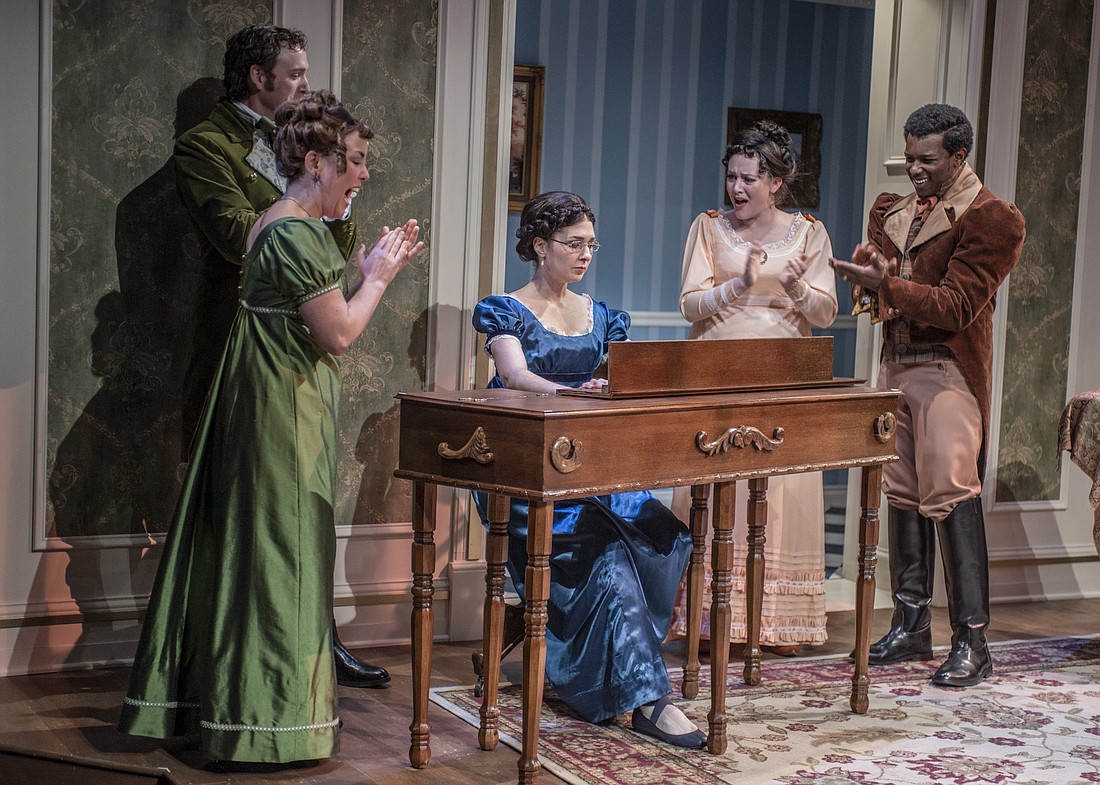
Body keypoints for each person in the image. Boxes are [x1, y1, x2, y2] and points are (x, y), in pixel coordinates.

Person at [118, 91, 424, 762]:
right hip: (282, 415)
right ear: (316, 161)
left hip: (272, 402)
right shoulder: (294, 232)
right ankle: (269, 726)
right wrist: (377, 275)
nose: (364, 174)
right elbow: (337, 332)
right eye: (356, 161)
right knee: (281, 559)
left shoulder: (273, 221)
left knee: (262, 556)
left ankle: (243, 713)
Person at [174, 24, 386, 688]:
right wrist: (309, 183)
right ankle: (247, 671)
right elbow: (244, 236)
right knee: (256, 516)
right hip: (250, 344)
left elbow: (334, 237)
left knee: (302, 507)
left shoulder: (314, 156)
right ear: (258, 77)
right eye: (293, 73)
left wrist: (335, 184)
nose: (304, 82)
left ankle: (309, 641)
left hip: (301, 339)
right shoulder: (206, 146)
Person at [471, 191, 704, 749]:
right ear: (537, 245)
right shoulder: (507, 308)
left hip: (593, 469)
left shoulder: (600, 315)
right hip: (530, 477)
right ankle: (649, 700)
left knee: (664, 535)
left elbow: (623, 378)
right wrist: (573, 394)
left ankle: (607, 670)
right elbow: (514, 374)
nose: (585, 255)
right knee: (607, 561)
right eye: (573, 243)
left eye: (590, 245)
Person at [830, 103, 1025, 688]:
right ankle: (911, 622)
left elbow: (957, 306)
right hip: (896, 364)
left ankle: (973, 637)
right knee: (904, 491)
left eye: (926, 159)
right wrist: (873, 275)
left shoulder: (992, 217)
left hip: (948, 370)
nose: (912, 168)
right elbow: (882, 297)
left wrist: (886, 282)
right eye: (908, 156)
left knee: (950, 492)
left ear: (958, 155)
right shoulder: (890, 211)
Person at [670, 122, 838, 656]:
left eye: (749, 179)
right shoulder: (709, 227)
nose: (736, 189)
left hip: (783, 378)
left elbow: (828, 311)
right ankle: (706, 620)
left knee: (780, 495)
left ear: (777, 182)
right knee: (721, 492)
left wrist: (793, 285)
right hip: (716, 377)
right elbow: (688, 304)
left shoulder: (809, 232)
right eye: (732, 177)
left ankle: (775, 623)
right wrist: (737, 285)